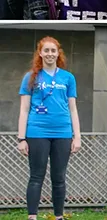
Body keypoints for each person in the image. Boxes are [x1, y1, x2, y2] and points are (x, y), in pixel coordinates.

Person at [16, 36, 81, 220]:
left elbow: (73, 108)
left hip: (63, 132)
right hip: (37, 132)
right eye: (46, 50)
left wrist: (77, 137)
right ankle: (32, 216)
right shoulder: (31, 77)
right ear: (40, 53)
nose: (50, 54)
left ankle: (59, 216)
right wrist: (22, 138)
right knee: (36, 176)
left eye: (54, 50)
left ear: (58, 53)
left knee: (59, 177)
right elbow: (24, 109)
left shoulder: (68, 78)